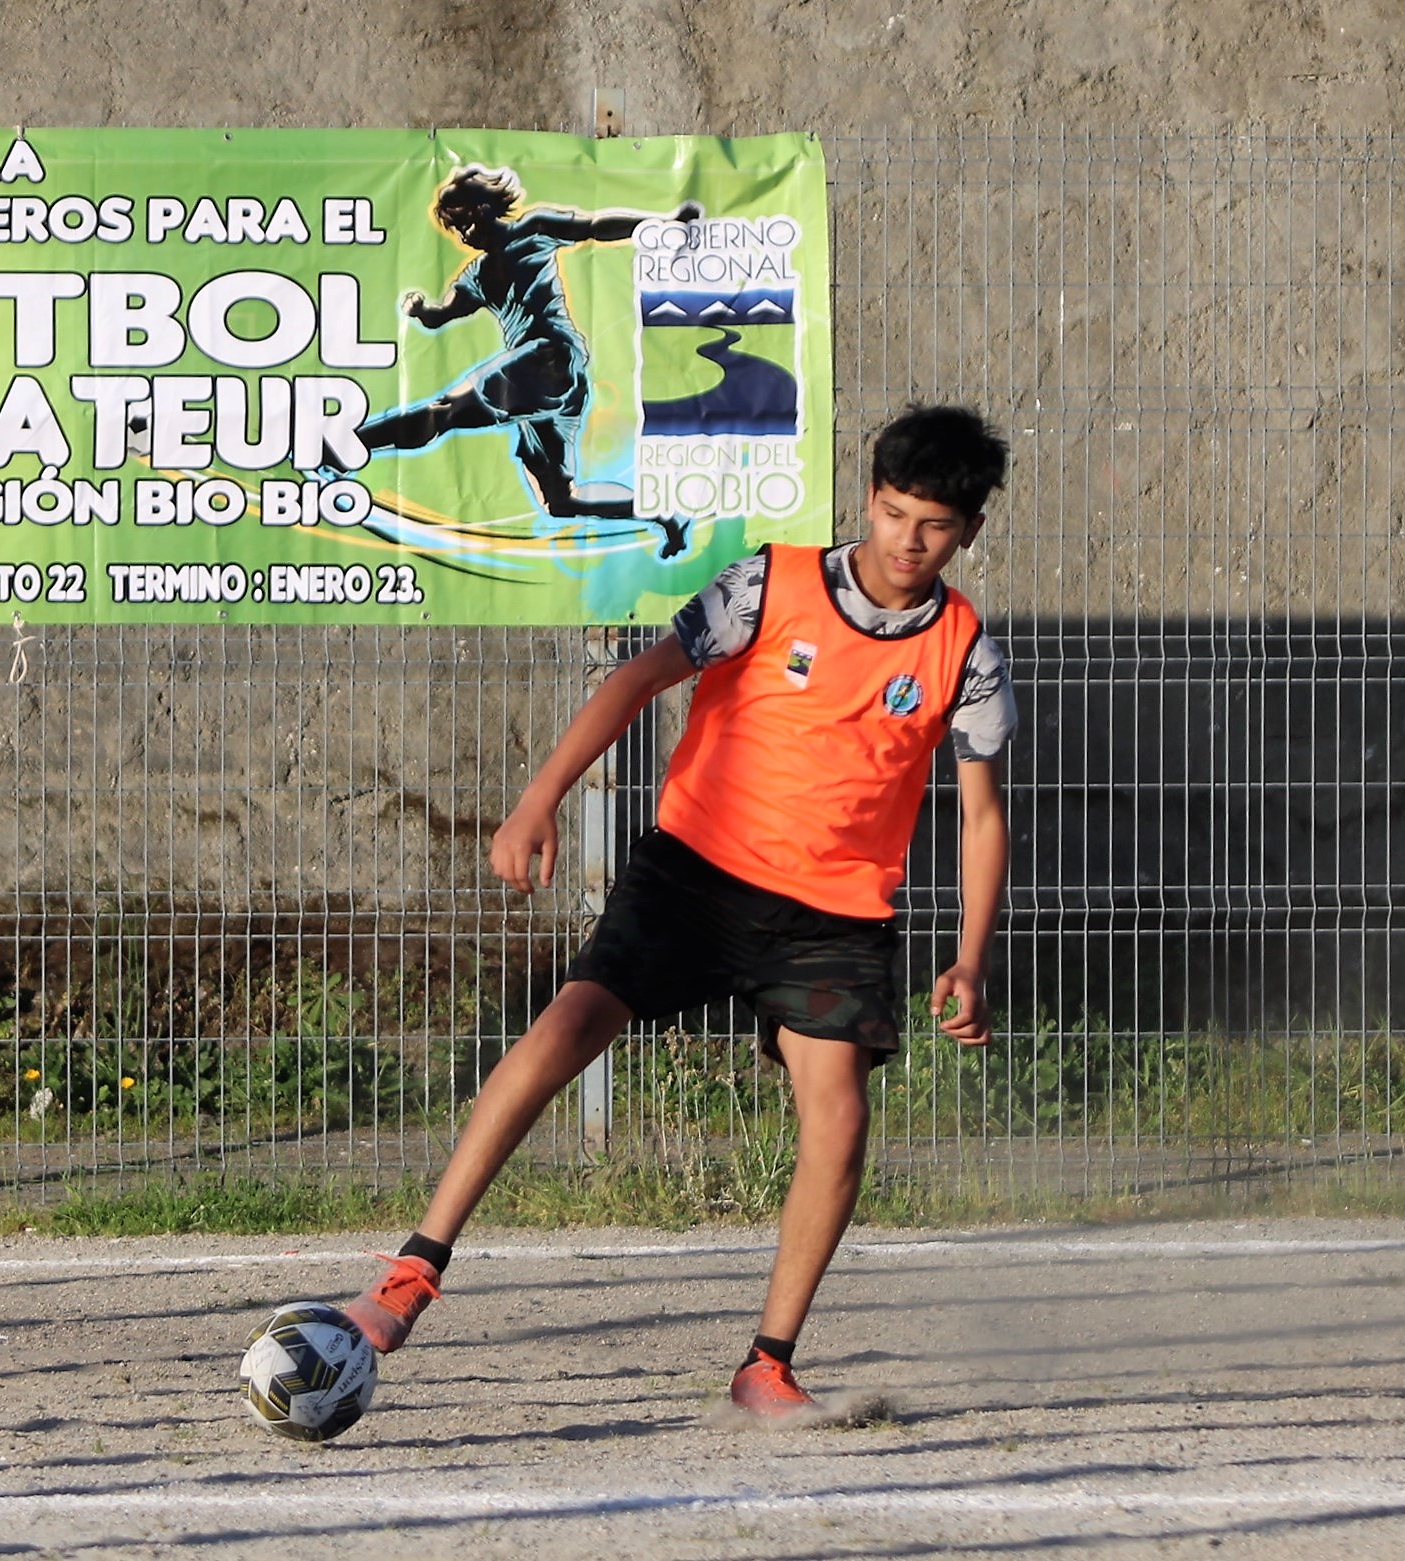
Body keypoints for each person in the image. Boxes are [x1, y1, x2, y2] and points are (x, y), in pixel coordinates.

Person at [340, 405, 1018, 1417]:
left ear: (968, 530)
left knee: (839, 1119)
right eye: (892, 513)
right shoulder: (769, 585)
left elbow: (981, 814)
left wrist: (968, 956)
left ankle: (767, 1364)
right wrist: (539, 799)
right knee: (564, 1028)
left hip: (831, 916)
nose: (907, 541)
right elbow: (637, 676)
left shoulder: (965, 652)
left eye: (934, 525)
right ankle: (414, 1268)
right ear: (869, 498)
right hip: (694, 874)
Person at [358, 164, 699, 556]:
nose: (465, 236)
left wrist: (664, 224)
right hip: (558, 386)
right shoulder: (477, 275)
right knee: (561, 502)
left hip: (549, 356)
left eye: (466, 223)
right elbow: (443, 315)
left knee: (445, 411)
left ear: (484, 208)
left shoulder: (533, 230)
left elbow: (596, 227)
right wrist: (422, 311)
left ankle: (355, 442)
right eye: (457, 230)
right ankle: (662, 514)